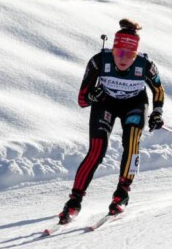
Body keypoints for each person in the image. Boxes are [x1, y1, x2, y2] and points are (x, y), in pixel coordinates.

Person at [58, 19, 166, 224]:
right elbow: (82, 100)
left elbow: (158, 90)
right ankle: (74, 201)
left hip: (134, 104)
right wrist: (93, 96)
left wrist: (157, 112)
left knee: (132, 143)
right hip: (106, 104)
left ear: (136, 54)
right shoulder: (99, 61)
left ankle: (122, 193)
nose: (123, 59)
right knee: (97, 150)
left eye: (130, 54)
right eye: (119, 52)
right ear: (113, 50)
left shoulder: (146, 65)